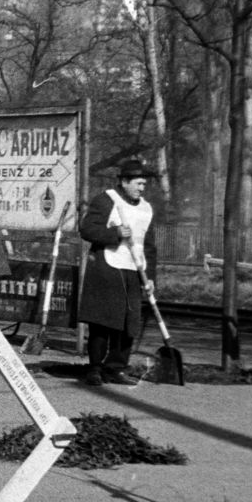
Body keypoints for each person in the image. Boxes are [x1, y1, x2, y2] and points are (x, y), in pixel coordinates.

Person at [77, 158, 158, 387]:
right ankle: (94, 368)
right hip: (106, 269)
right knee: (102, 321)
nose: (142, 188)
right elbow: (86, 229)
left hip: (134, 271)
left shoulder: (146, 208)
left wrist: (150, 276)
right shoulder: (105, 200)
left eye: (144, 184)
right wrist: (114, 232)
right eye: (138, 183)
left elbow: (149, 246)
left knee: (128, 323)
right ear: (124, 181)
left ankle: (116, 367)